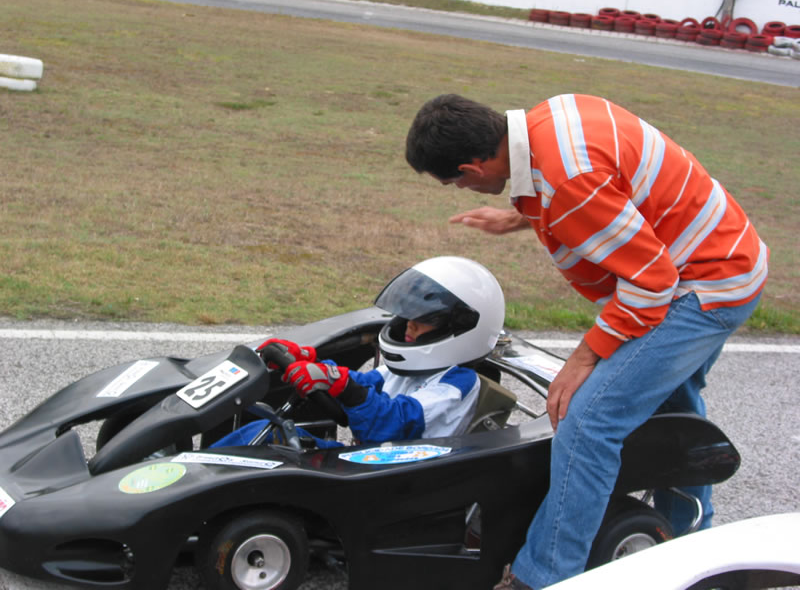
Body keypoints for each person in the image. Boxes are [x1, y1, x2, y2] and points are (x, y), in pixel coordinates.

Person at [405, 93, 768, 590]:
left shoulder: (568, 184)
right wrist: (518, 217)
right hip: (725, 252)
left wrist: (583, 358)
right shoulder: (551, 116)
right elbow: (607, 190)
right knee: (666, 408)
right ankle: (690, 539)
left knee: (588, 421)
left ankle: (546, 577)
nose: (463, 188)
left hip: (704, 286)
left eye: (456, 180)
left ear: (474, 166)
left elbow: (651, 283)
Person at [213, 255, 506, 447]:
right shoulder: (411, 367)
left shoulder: (456, 385)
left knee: (271, 449)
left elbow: (395, 423)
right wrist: (312, 364)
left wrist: (344, 386)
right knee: (261, 430)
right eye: (409, 317)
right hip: (370, 466)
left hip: (397, 480)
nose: (409, 328)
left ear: (460, 328)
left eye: (423, 321)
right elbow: (364, 384)